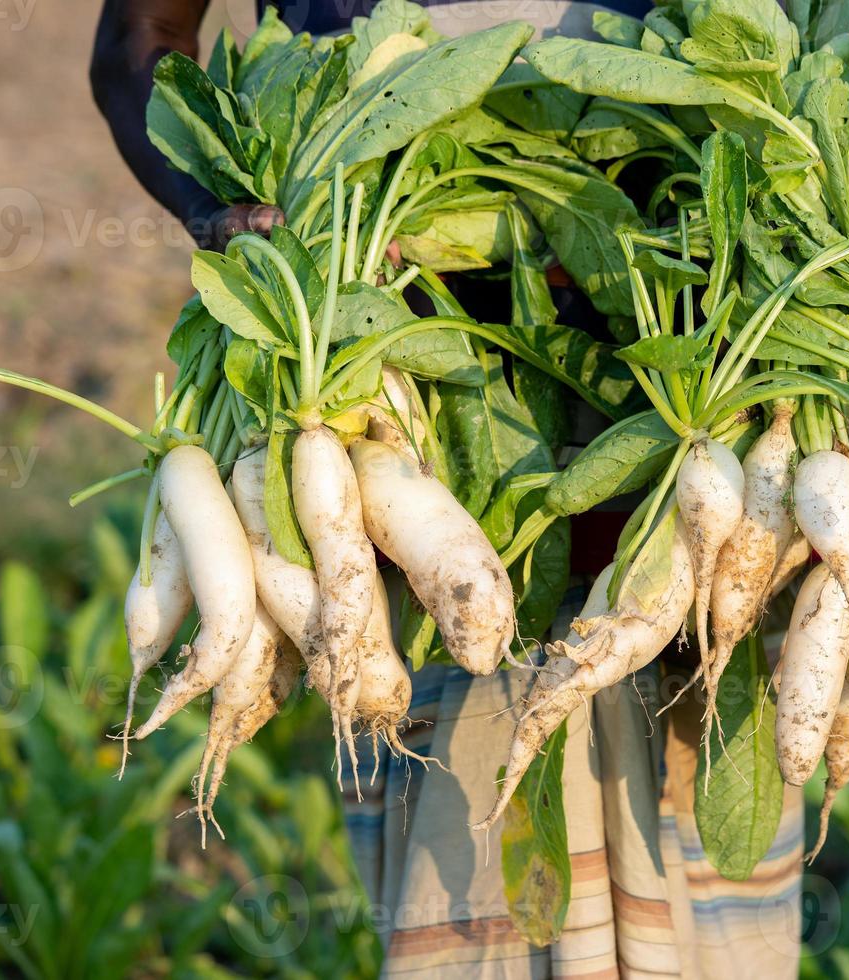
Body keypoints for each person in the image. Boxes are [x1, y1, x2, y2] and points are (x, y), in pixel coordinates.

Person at [91, 3, 812, 975]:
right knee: (448, 798)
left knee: (714, 780)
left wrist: (820, 230)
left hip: (696, 364)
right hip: (410, 394)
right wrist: (221, 204)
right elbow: (139, 44)